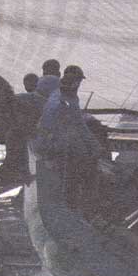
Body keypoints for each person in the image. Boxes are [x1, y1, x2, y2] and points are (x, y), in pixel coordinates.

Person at [34, 65, 103, 210]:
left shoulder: (71, 97)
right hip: (56, 146)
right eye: (78, 81)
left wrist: (93, 145)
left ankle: (78, 204)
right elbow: (49, 123)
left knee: (80, 165)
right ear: (76, 82)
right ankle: (73, 206)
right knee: (75, 170)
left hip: (61, 143)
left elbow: (79, 123)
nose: (79, 84)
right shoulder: (59, 98)